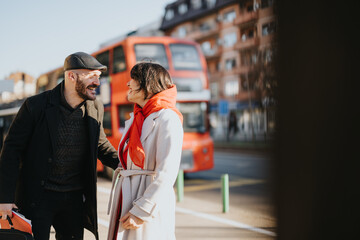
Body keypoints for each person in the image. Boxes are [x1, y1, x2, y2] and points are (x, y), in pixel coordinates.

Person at [0, 52, 119, 240]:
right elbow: (11, 151)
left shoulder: (95, 106)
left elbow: (100, 144)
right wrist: (5, 198)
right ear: (71, 76)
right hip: (37, 197)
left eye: (99, 76)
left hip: (73, 198)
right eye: (92, 76)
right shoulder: (35, 105)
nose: (97, 82)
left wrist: (127, 165)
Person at [107, 62, 184, 240]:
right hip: (129, 195)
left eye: (134, 79)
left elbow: (167, 173)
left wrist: (142, 210)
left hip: (147, 202)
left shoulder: (168, 118)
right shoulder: (138, 117)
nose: (128, 84)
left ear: (148, 85)